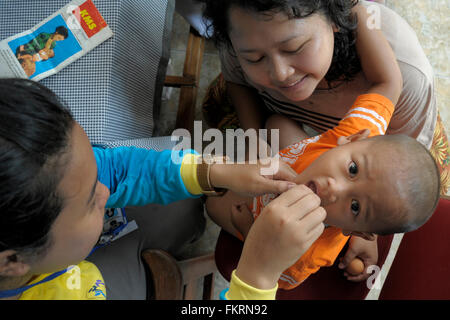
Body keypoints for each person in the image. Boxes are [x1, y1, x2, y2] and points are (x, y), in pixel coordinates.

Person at [0, 78, 325, 300]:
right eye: (88, 200)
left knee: (184, 202)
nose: (105, 190)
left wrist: (213, 170)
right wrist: (257, 276)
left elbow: (116, 168)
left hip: (73, 259)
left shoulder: (40, 171)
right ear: (11, 261)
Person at [206, 92, 441, 290]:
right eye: (352, 169)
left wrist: (248, 229)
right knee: (276, 123)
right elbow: (387, 83)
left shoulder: (309, 251)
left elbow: (281, 277)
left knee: (213, 205)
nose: (334, 188)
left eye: (355, 206)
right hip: (292, 156)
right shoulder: (358, 136)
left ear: (355, 230)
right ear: (352, 140)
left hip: (256, 215)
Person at [200, 0, 436, 150]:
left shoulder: (406, 78)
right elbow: (237, 82)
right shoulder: (241, 32)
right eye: (255, 59)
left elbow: (403, 157)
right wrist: (254, 141)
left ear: (335, 18)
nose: (281, 74)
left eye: (294, 48)